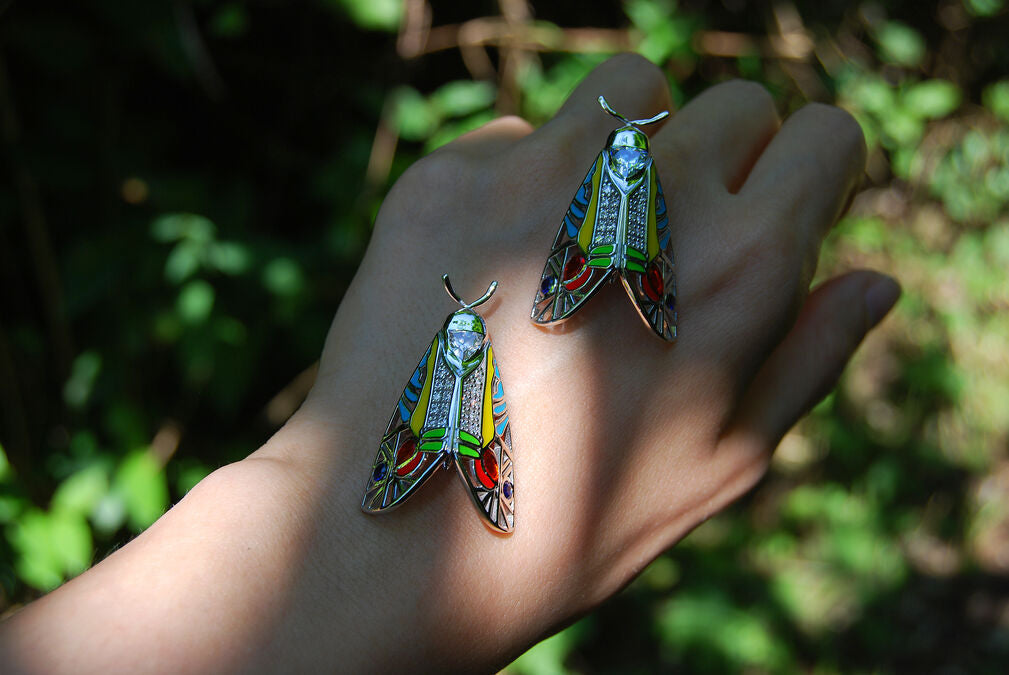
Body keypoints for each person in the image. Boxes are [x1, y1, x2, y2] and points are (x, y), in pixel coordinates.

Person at [0, 54, 898, 673]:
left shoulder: (460, 328)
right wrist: (341, 579)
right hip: (510, 352)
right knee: (508, 365)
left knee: (463, 375)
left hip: (475, 350)